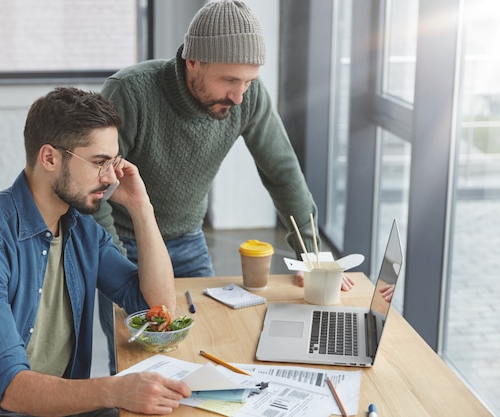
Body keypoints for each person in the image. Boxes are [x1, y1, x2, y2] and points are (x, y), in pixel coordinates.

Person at [94, 0, 354, 374]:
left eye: (248, 81)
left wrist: (313, 257)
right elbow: (96, 187)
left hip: (186, 240)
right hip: (123, 241)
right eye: (230, 80)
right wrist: (115, 264)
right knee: (138, 360)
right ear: (193, 61)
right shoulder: (130, 92)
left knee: (208, 344)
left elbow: (282, 171)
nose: (239, 95)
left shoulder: (248, 99)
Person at [0, 87, 190, 417]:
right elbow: (9, 387)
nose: (111, 177)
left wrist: (142, 208)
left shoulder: (79, 228)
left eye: (113, 162)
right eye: (99, 162)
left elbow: (157, 310)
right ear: (50, 158)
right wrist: (114, 389)